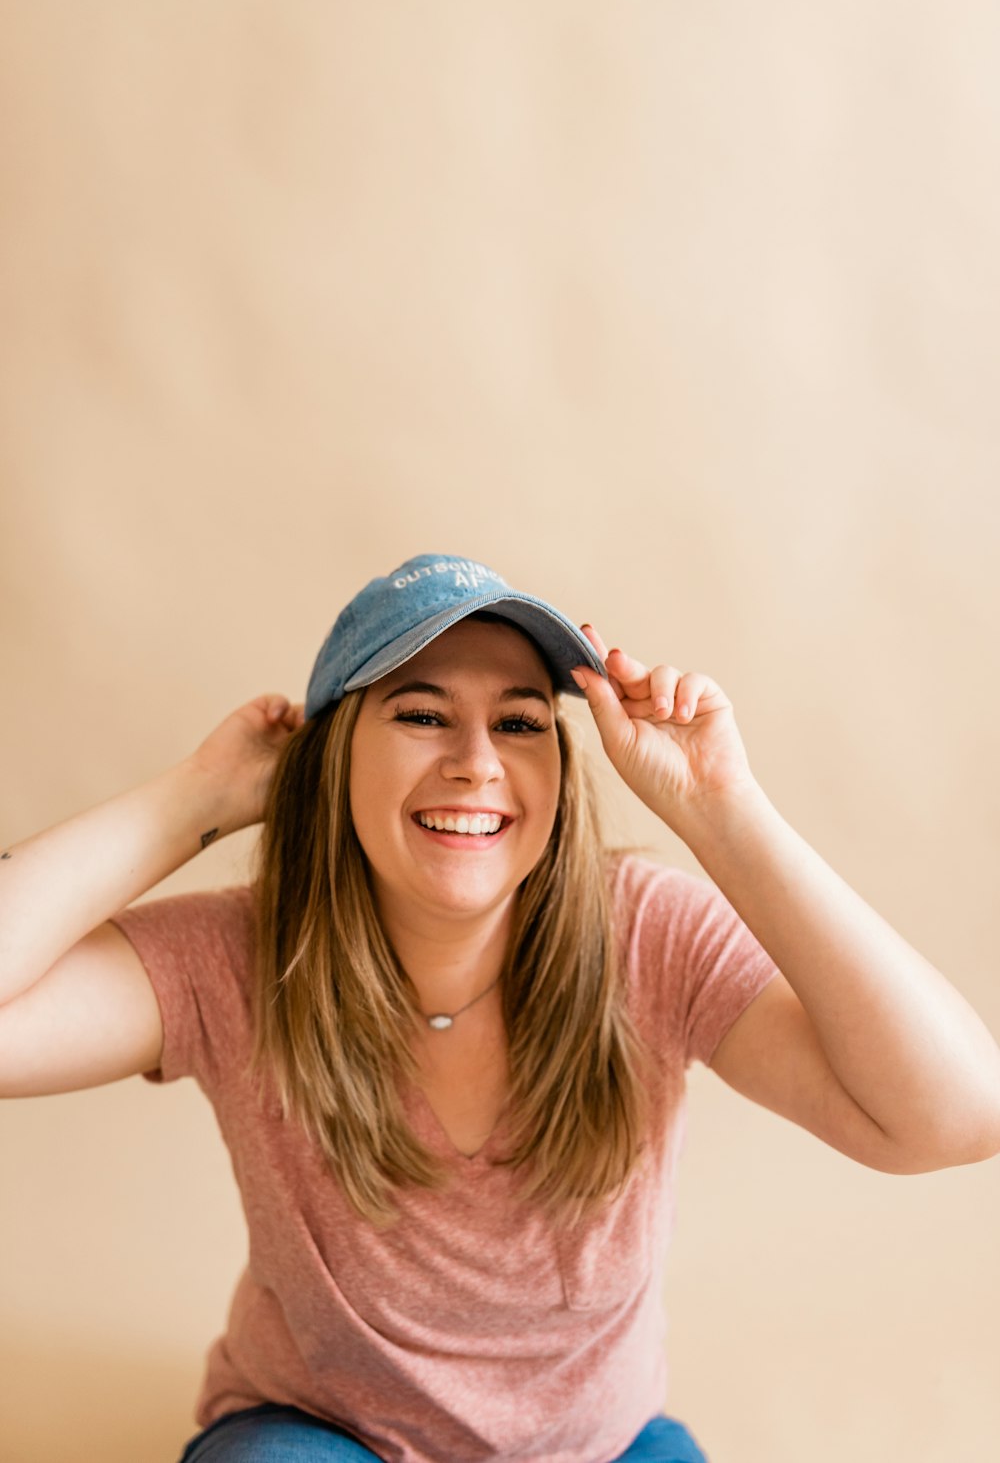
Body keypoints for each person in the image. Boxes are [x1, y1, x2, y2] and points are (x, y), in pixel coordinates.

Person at [3, 551, 1000, 1463]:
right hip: (323, 1437)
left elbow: (955, 1117)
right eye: (422, 714)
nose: (478, 760)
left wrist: (722, 811)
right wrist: (197, 798)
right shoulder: (242, 954)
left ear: (561, 776)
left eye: (520, 722)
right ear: (336, 755)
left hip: (600, 1446)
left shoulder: (647, 935)